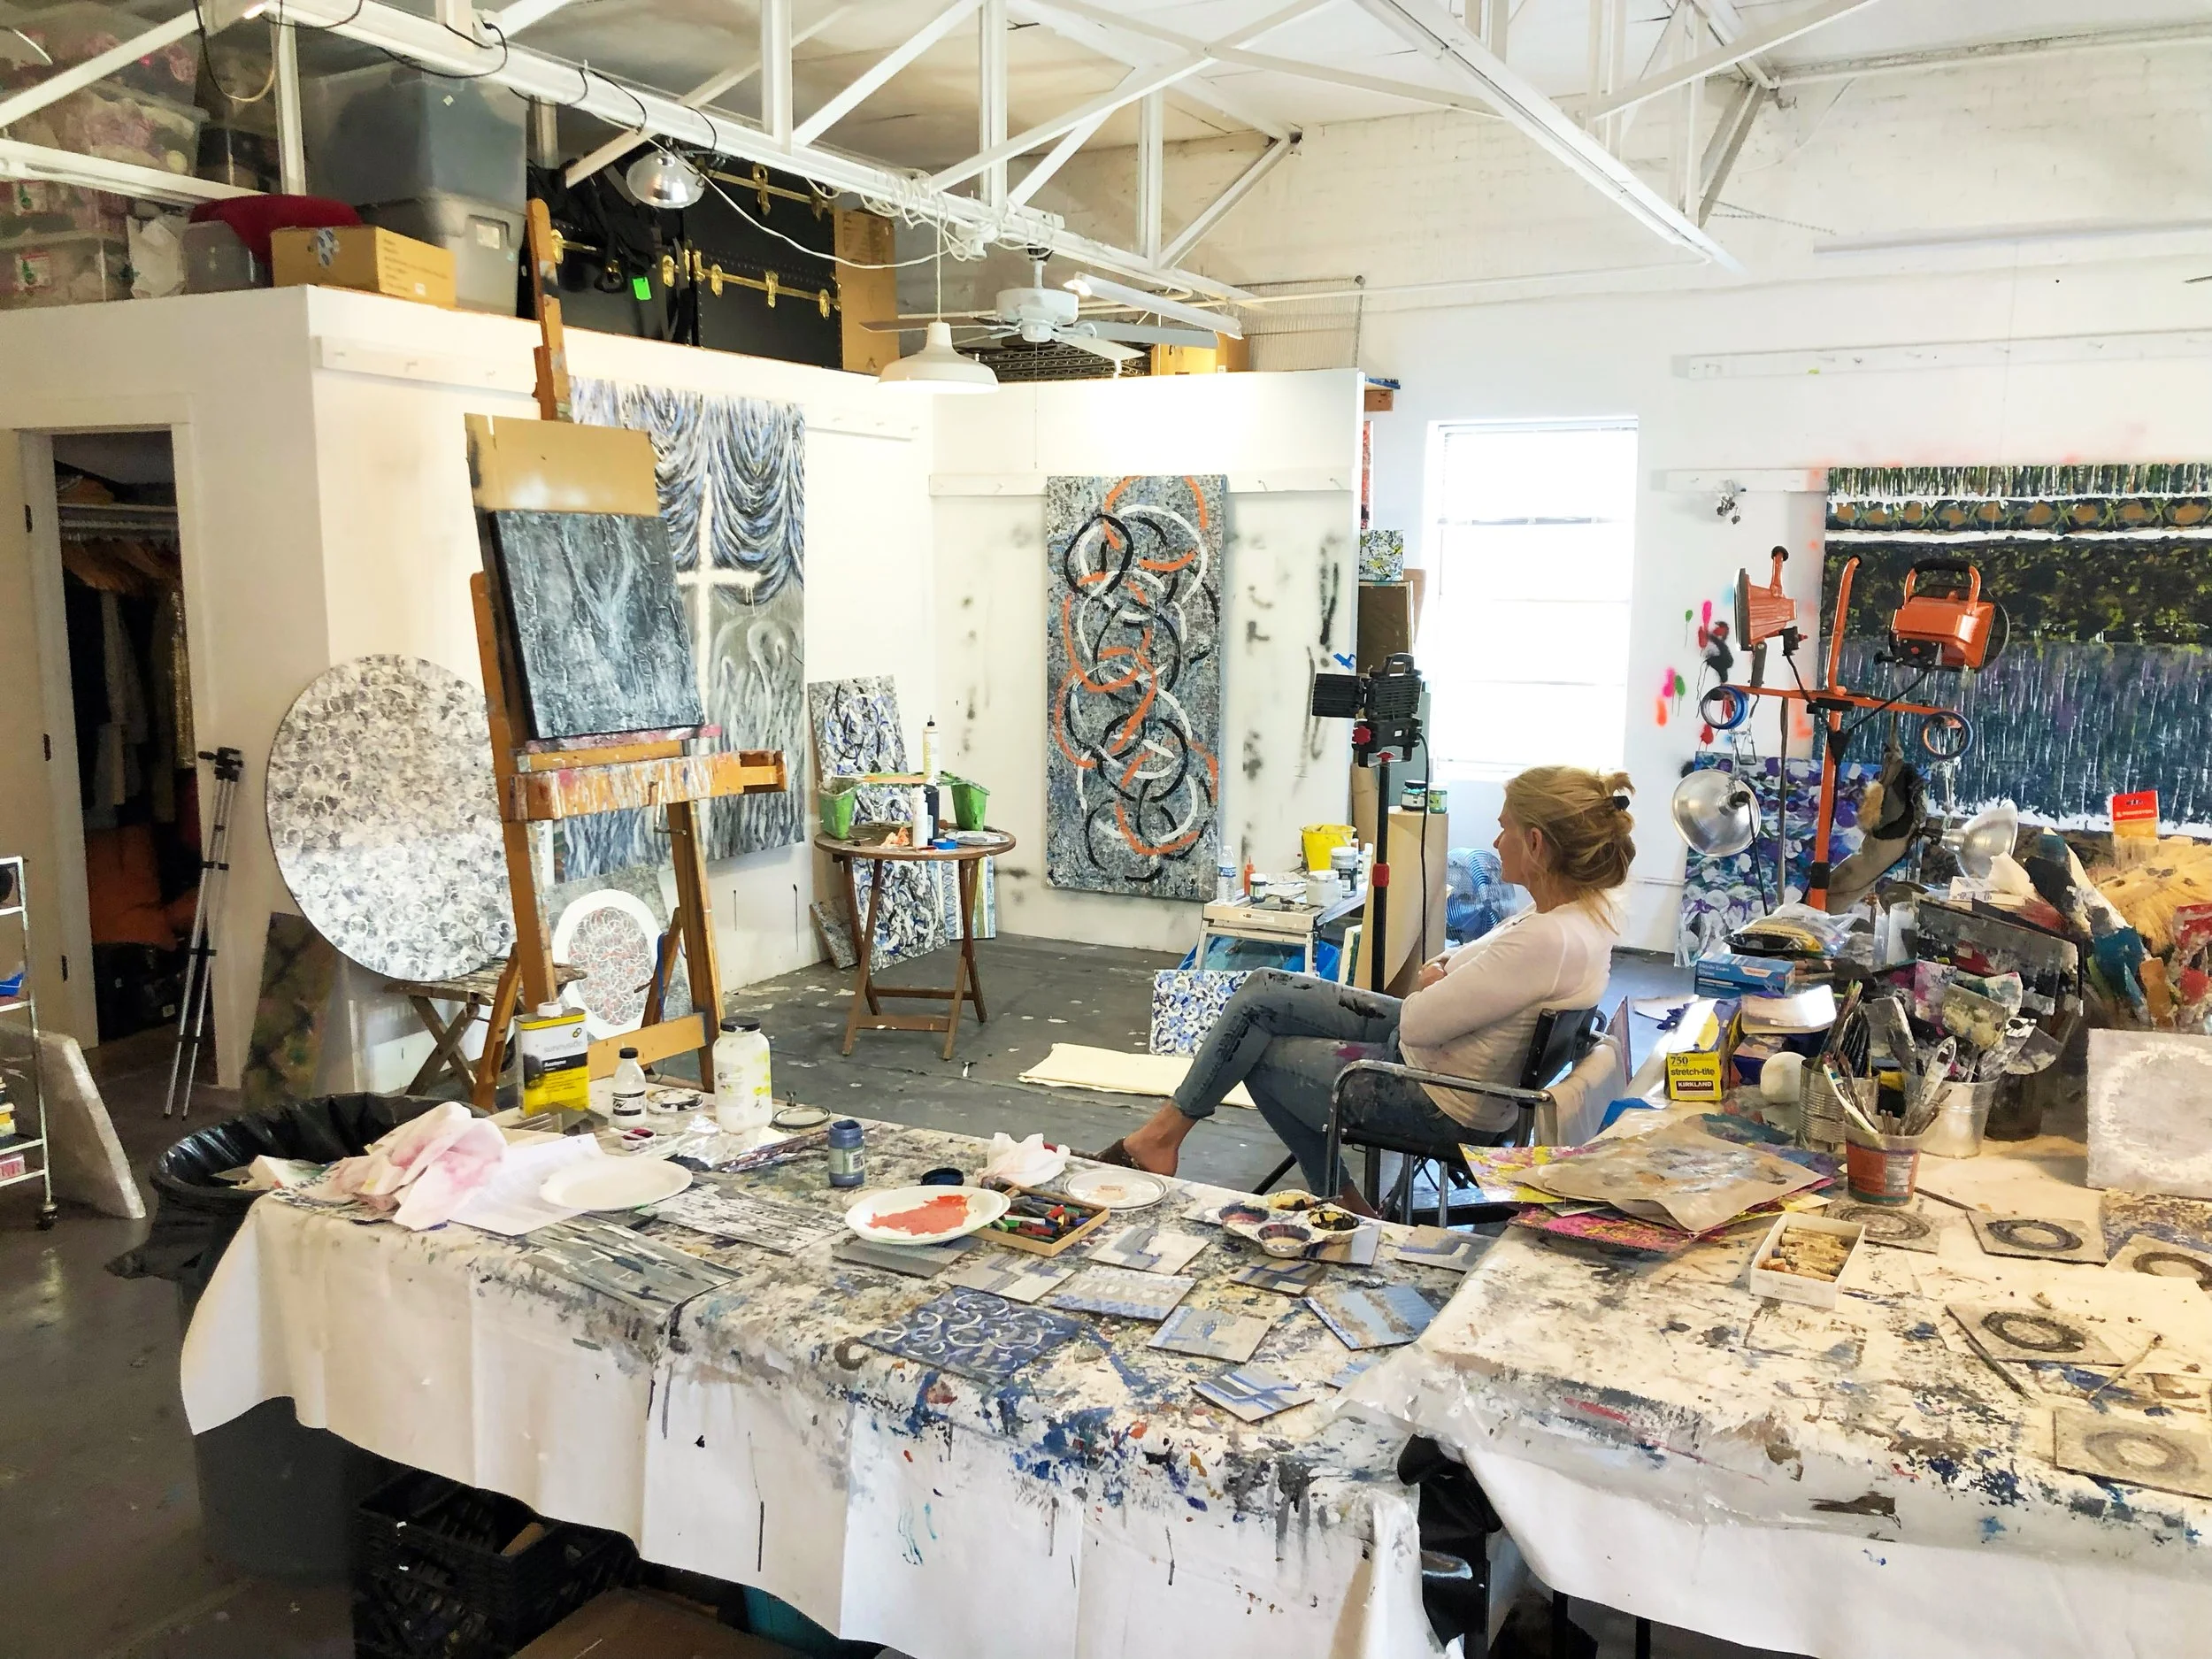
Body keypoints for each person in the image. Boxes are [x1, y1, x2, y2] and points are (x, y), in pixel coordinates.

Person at [1090, 765, 1634, 1211]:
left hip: (1438, 1098)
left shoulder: (1547, 939)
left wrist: (1434, 982)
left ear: (1535, 843)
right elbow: (1452, 964)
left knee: (1256, 1054)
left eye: (1505, 828)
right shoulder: (1576, 919)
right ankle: (1162, 1136)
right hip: (1439, 1061)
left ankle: (1336, 1196)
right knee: (1261, 989)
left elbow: (1421, 1018)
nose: (1496, 841)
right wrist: (1438, 979)